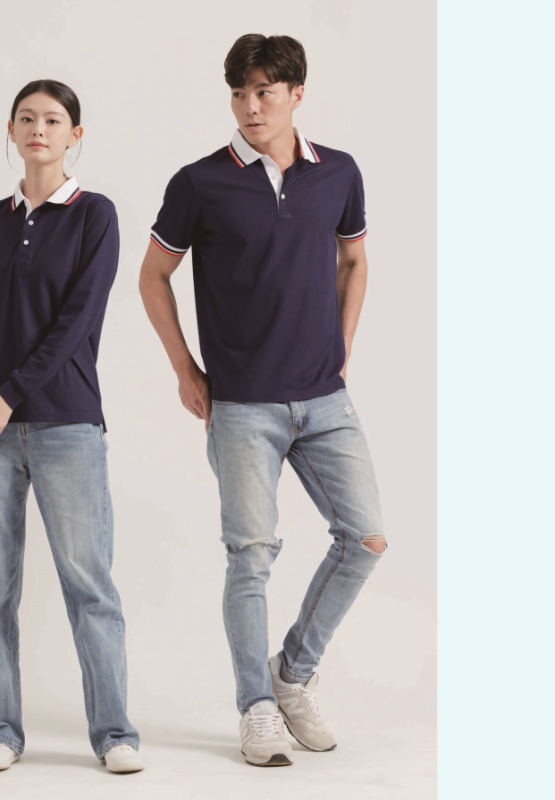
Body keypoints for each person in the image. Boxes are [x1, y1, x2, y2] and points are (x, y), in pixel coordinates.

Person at [139, 34, 386, 767]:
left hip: (325, 400)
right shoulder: (198, 183)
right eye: (240, 93)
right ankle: (256, 707)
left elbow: (354, 259)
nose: (250, 106)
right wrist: (185, 369)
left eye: (265, 92)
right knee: (250, 559)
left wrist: (342, 346)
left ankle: (293, 674)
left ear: (296, 94)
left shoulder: (338, 172)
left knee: (366, 538)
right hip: (242, 405)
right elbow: (153, 276)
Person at [0, 79, 142, 774]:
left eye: (53, 120)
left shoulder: (95, 216)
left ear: (74, 134)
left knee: (90, 586)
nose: (38, 129)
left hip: (67, 426)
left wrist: (9, 393)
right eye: (26, 118)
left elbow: (75, 323)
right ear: (10, 129)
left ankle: (115, 734)